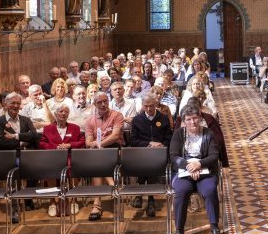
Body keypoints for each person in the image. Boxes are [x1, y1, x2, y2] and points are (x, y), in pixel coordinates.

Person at [170, 105, 222, 234]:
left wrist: (199, 164)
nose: (192, 122)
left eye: (195, 118)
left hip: (205, 171)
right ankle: (179, 230)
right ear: (183, 121)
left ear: (200, 118)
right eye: (188, 119)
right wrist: (190, 167)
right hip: (183, 171)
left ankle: (214, 226)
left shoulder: (208, 133)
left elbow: (214, 155)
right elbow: (173, 156)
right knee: (180, 191)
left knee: (210, 190)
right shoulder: (178, 134)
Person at [0, 92, 38, 222]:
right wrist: (21, 142)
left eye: (18, 103)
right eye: (13, 103)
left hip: (26, 155)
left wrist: (15, 136)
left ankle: (28, 199)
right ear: (6, 104)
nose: (16, 105)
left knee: (36, 166)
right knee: (12, 169)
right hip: (8, 157)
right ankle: (14, 207)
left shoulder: (25, 119)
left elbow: (34, 135)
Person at [130, 93, 173, 217]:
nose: (149, 109)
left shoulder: (163, 118)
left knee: (151, 164)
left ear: (156, 104)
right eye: (146, 106)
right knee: (145, 164)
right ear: (142, 106)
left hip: (160, 153)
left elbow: (169, 138)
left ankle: (143, 196)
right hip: (142, 153)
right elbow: (133, 140)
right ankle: (150, 199)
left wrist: (160, 145)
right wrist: (149, 143)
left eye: (151, 106)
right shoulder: (137, 120)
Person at [39, 104, 85, 216]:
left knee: (74, 166)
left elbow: (82, 141)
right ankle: (52, 202)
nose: (63, 114)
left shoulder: (75, 128)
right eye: (60, 111)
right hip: (53, 157)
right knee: (50, 168)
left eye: (66, 112)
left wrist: (69, 144)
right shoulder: (48, 128)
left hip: (71, 156)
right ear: (55, 114)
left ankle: (73, 200)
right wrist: (55, 147)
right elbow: (42, 143)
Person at [84, 92, 124, 221]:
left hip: (114, 149)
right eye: (99, 102)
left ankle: (97, 203)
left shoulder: (117, 115)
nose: (103, 104)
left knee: (98, 162)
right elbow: (88, 142)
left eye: (105, 101)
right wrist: (93, 144)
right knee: (98, 160)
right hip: (98, 152)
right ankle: (112, 185)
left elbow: (115, 136)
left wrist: (99, 144)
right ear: (94, 104)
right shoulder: (90, 120)